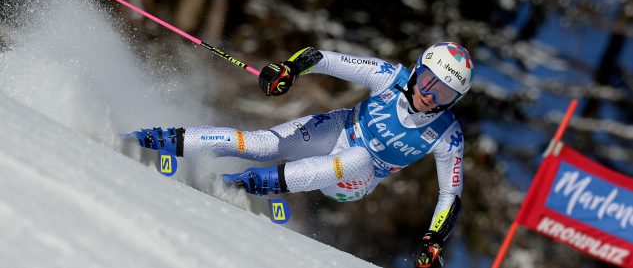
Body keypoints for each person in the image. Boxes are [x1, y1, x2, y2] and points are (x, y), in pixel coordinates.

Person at [127, 42, 473, 268]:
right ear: (417, 69)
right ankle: (149, 140)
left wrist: (433, 240)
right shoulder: (389, 77)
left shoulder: (447, 135)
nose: (429, 95)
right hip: (337, 128)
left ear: (453, 101)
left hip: (353, 179)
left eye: (443, 93)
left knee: (359, 159)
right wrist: (288, 70)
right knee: (262, 144)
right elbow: (322, 58)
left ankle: (241, 185)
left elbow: (450, 196)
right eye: (428, 81)